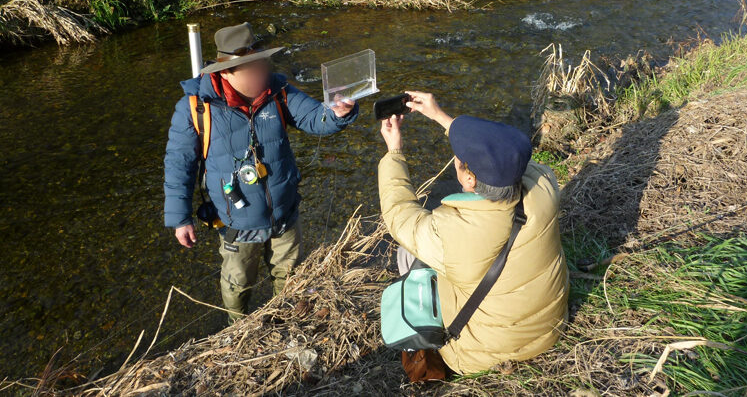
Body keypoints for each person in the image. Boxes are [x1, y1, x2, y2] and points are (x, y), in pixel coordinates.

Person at [164, 22, 358, 321]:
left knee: (292, 282)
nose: (261, 72)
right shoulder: (195, 107)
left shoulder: (278, 91)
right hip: (237, 222)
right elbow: (179, 164)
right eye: (251, 68)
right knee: (238, 285)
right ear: (225, 72)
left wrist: (338, 113)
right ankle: (237, 329)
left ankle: (292, 323)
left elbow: (314, 118)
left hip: (285, 213)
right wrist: (180, 218)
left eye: (262, 64)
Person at [377, 91, 569, 374]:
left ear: (469, 178)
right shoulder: (544, 185)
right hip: (548, 330)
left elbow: (399, 215)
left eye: (459, 157)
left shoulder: (451, 232)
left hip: (483, 353)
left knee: (409, 253)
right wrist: (442, 117)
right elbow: (508, 155)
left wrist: (394, 151)